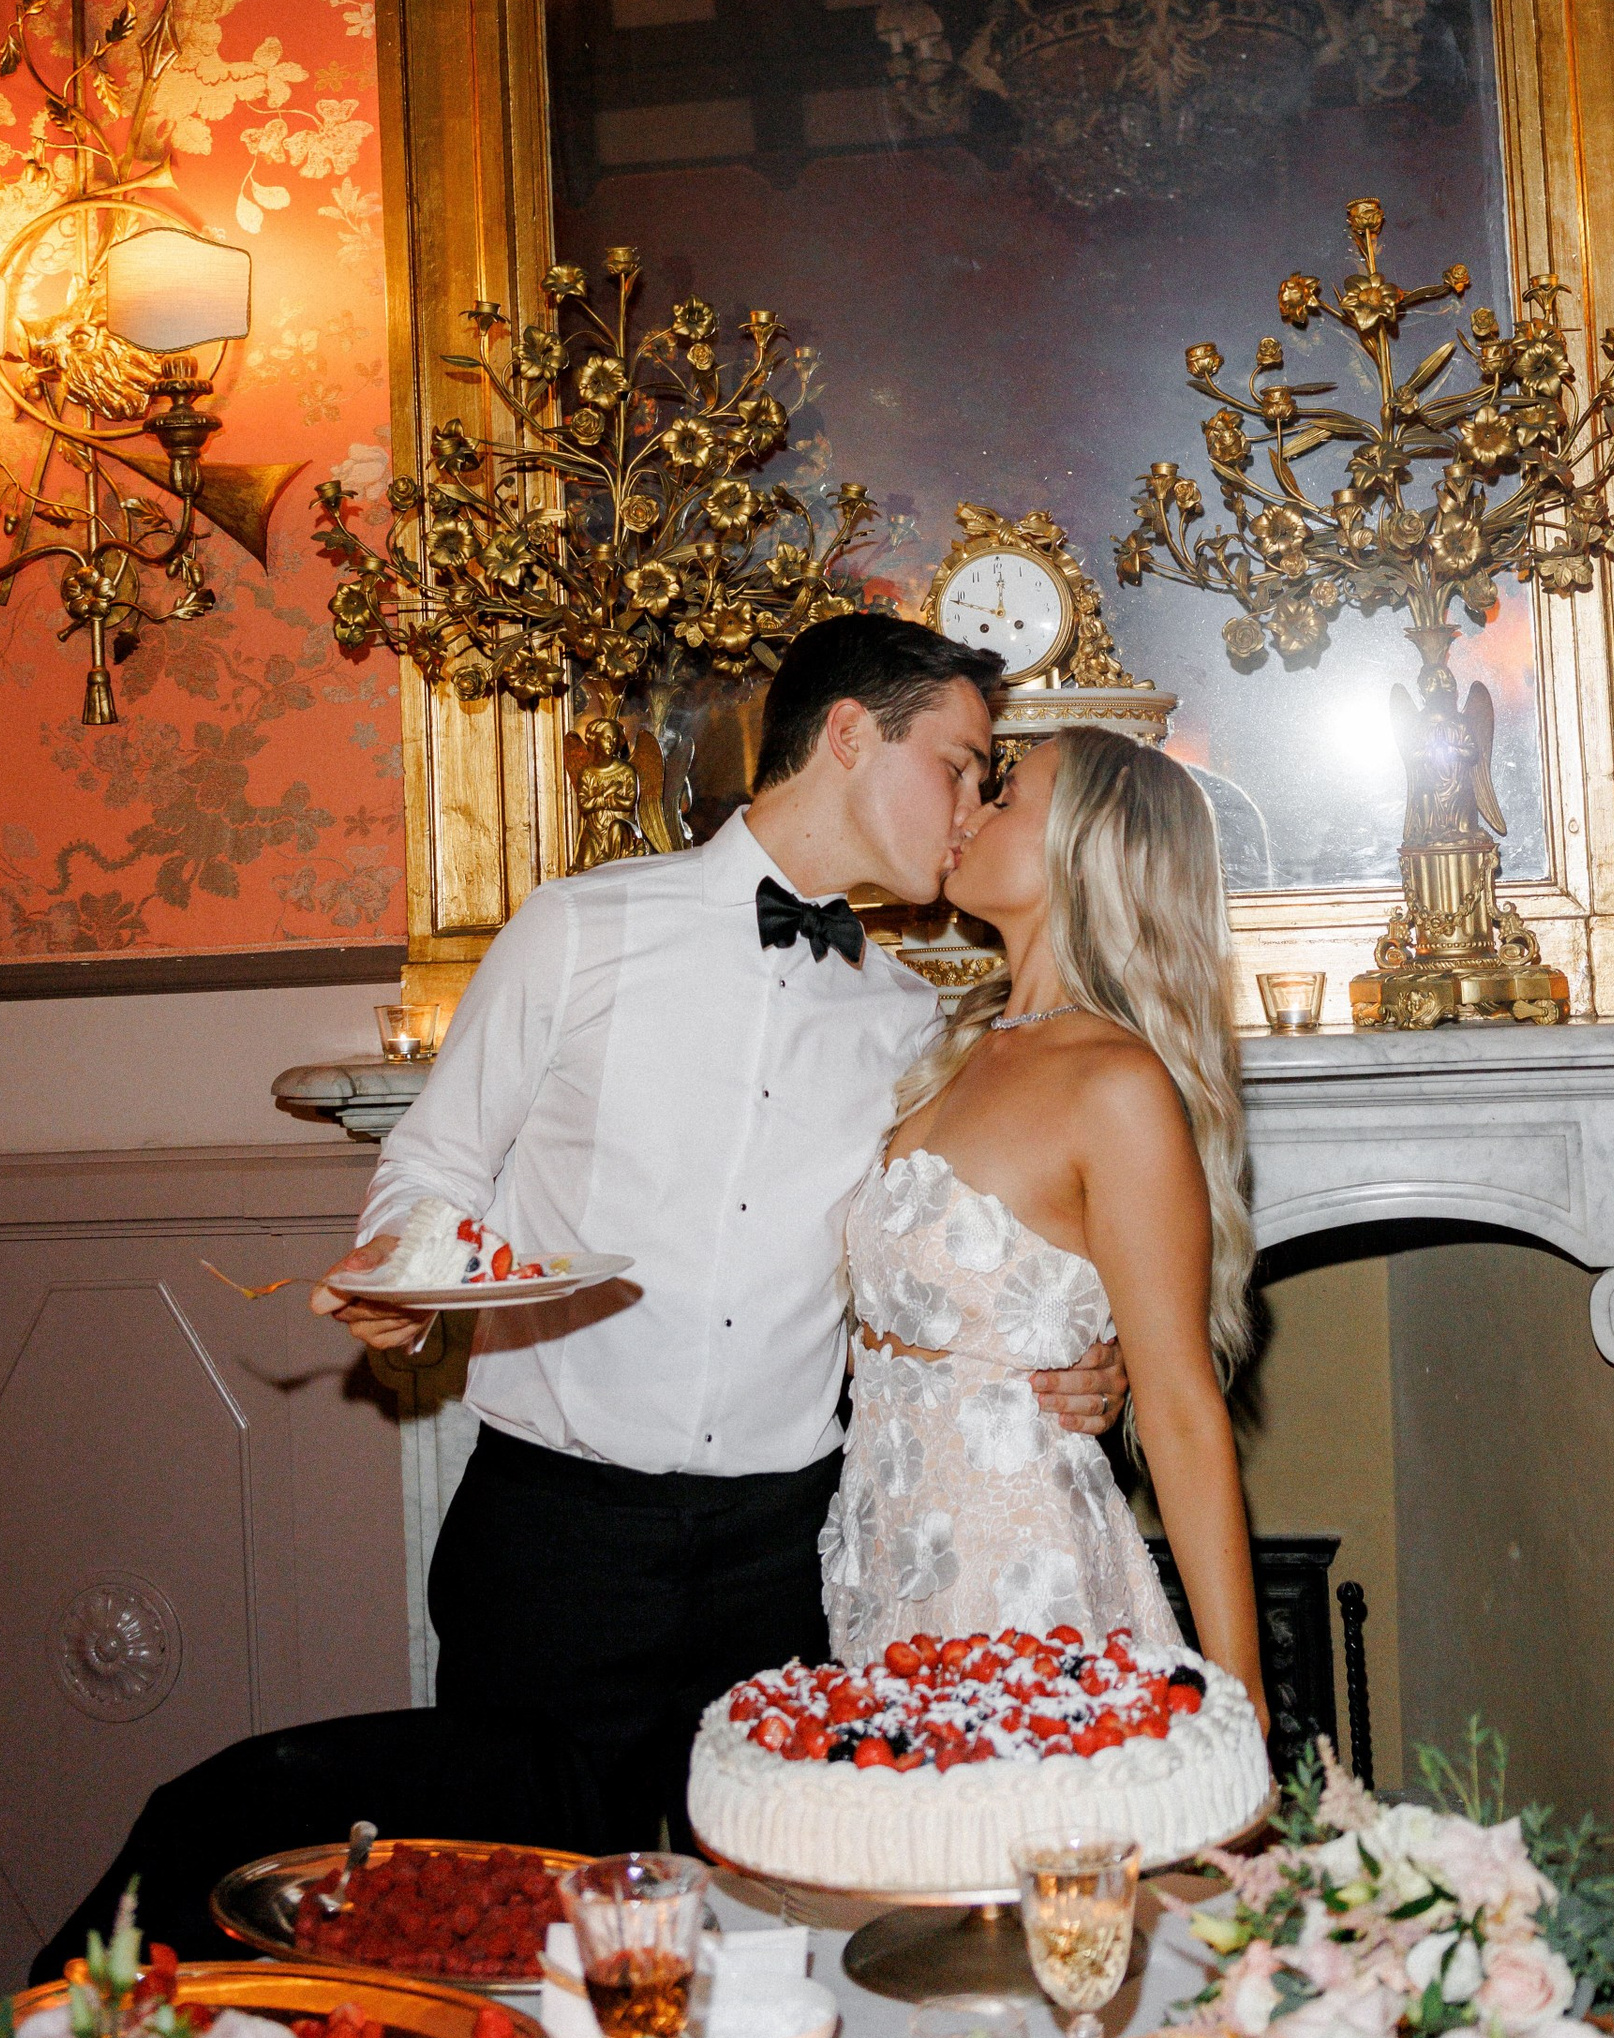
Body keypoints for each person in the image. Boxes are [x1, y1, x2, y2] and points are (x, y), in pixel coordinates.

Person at [310, 616, 1128, 1851]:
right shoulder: (578, 928)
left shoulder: (912, 1021)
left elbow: (951, 1260)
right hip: (554, 1544)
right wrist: (406, 1272)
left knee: (769, 1918)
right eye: (959, 763)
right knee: (533, 1921)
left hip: (785, 1557)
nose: (970, 804)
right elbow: (434, 1158)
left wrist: (1085, 1357)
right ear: (850, 734)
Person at [823, 723, 1267, 1724]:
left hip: (1022, 1584)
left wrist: (1242, 1704)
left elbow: (1187, 1415)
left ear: (1085, 847)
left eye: (1005, 792)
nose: (968, 810)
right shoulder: (953, 1047)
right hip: (881, 1565)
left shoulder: (1116, 1084)